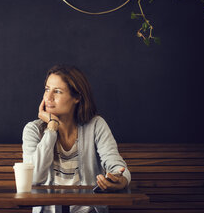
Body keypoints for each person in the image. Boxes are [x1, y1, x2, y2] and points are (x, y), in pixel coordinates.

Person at [22, 65, 131, 213]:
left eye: (57, 91)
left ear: (77, 97)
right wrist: (52, 127)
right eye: (47, 89)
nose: (48, 97)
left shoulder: (96, 125)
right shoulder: (33, 129)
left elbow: (117, 166)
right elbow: (34, 177)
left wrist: (120, 179)